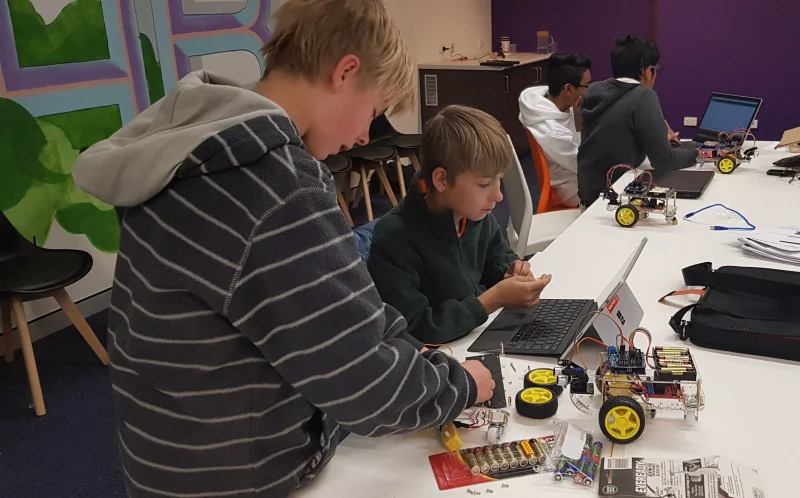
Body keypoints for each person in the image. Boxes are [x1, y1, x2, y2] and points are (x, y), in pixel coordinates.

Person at [71, 0, 494, 496]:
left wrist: (404, 348)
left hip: (169, 459)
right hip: (239, 478)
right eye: (373, 112)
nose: (363, 134)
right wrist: (462, 385)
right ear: (346, 72)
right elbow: (365, 386)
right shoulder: (278, 187)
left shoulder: (191, 149)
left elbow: (336, 312)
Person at [368, 105, 552, 344]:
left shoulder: (476, 215)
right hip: (438, 361)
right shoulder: (394, 237)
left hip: (476, 337)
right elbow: (412, 328)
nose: (498, 196)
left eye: (499, 180)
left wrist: (511, 271)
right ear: (442, 179)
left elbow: (497, 256)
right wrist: (491, 300)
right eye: (484, 184)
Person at [576, 35, 698, 207]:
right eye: (656, 69)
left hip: (589, 194)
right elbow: (664, 161)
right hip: (616, 199)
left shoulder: (595, 89)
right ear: (647, 71)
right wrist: (698, 153)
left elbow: (614, 135)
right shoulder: (643, 96)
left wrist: (658, 138)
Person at [518, 52, 592, 207]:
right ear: (568, 89)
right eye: (587, 86)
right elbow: (585, 166)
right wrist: (579, 124)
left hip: (575, 174)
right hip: (573, 190)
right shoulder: (551, 132)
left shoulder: (557, 103)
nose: (590, 91)